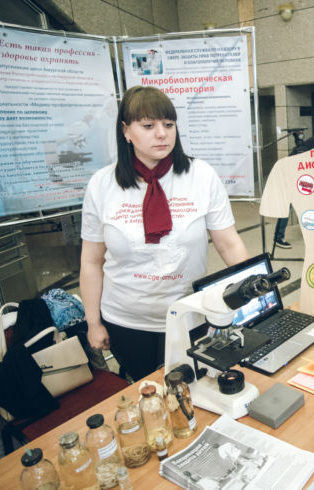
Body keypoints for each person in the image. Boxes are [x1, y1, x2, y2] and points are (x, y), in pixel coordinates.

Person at [80, 86, 250, 381]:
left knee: (193, 386)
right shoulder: (102, 184)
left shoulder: (201, 175)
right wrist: (93, 322)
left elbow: (228, 242)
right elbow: (91, 261)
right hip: (126, 321)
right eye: (148, 125)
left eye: (168, 125)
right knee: (147, 391)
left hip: (190, 314)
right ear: (126, 131)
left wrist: (251, 295)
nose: (162, 133)